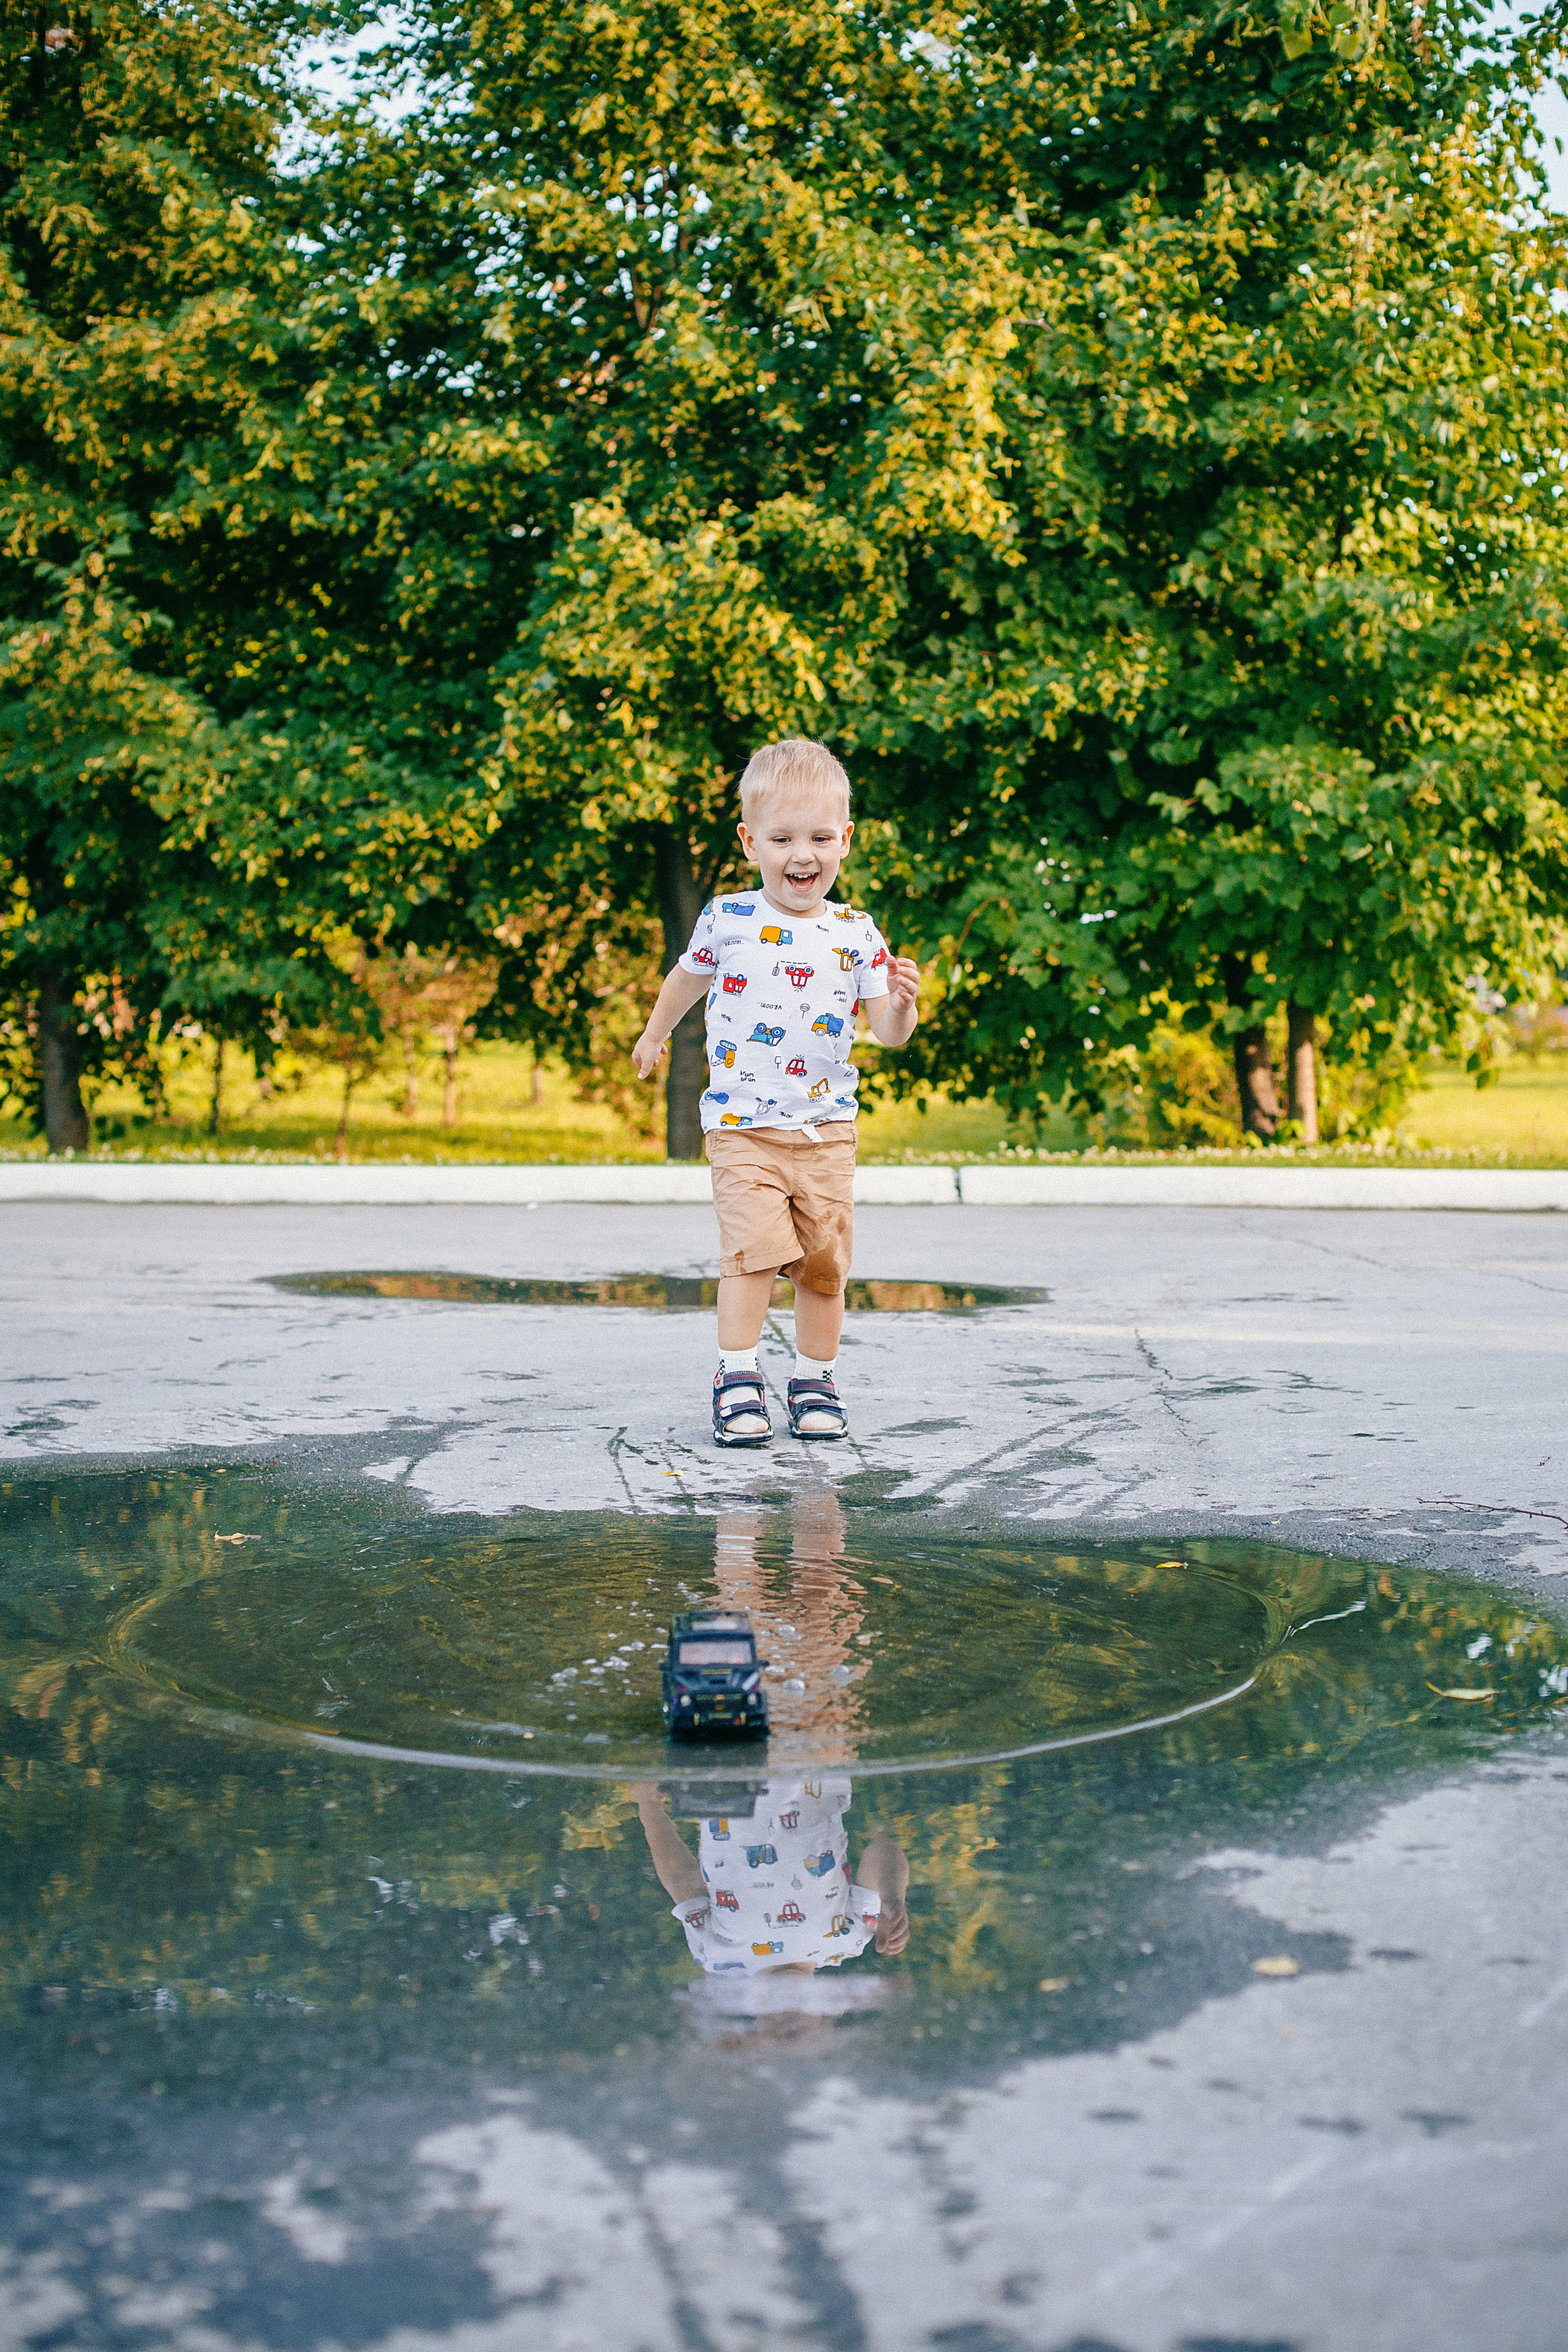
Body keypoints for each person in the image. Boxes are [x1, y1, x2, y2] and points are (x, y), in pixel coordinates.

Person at [631, 738, 921, 1446]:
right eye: (783, 838)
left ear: (845, 840)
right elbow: (686, 979)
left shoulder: (856, 933)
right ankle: (738, 1378)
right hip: (742, 1128)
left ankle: (814, 1379)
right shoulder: (727, 918)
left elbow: (885, 1029)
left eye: (821, 837)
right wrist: (653, 1033)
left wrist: (905, 1006)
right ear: (749, 841)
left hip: (827, 1131)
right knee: (751, 1256)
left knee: (824, 1267)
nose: (803, 855)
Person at [629, 1777, 911, 1978]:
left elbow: (682, 1878)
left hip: (725, 1783)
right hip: (814, 1774)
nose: (790, 2041)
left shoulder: (717, 1957)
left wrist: (649, 1808)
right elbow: (883, 1850)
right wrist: (892, 1895)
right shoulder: (849, 1942)